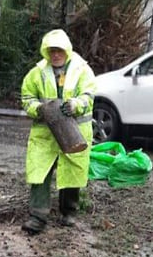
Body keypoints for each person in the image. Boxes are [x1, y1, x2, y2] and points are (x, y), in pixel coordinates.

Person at [19, 29, 97, 234]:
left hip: (75, 132)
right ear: (46, 51)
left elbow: (88, 96)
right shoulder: (37, 73)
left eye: (59, 50)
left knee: (72, 171)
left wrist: (75, 105)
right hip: (45, 135)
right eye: (52, 50)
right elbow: (27, 98)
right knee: (40, 173)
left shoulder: (82, 70)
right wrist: (38, 109)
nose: (55, 54)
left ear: (67, 50)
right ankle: (37, 216)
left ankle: (69, 212)